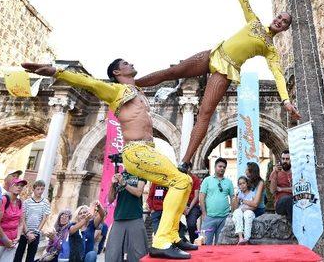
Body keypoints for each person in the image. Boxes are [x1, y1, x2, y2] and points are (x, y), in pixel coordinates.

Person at [22, 60, 194, 259]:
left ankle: (173, 236)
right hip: (136, 150)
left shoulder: (136, 90)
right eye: (125, 63)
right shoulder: (116, 91)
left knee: (186, 181)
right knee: (180, 181)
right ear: (116, 71)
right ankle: (162, 240)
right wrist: (56, 71)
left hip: (148, 150)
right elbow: (88, 83)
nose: (130, 63)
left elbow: (162, 74)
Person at [134, 0, 300, 168]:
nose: (280, 21)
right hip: (213, 55)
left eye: (284, 22)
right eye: (280, 17)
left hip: (226, 70)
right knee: (172, 71)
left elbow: (278, 74)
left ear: (286, 28)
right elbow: (246, 5)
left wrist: (286, 101)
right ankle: (133, 83)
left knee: (205, 113)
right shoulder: (255, 22)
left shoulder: (270, 49)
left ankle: (186, 161)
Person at [106, 171, 149, 262]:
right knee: (113, 254)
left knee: (138, 253)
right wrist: (113, 184)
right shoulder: (120, 175)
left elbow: (138, 192)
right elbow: (110, 200)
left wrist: (124, 183)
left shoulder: (140, 173)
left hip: (135, 217)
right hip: (119, 218)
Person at [0, 177, 26, 262]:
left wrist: (17, 237)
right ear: (10, 186)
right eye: (17, 185)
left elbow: (21, 223)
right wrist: (6, 240)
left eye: (21, 186)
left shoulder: (19, 202)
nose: (19, 187)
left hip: (12, 243)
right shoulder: (2, 200)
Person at [14, 179, 50, 262]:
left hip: (36, 234)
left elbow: (44, 218)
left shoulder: (45, 202)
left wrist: (36, 232)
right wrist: (27, 232)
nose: (40, 191)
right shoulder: (27, 202)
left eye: (42, 189)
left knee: (30, 256)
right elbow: (22, 218)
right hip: (24, 232)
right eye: (38, 189)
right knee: (18, 255)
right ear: (33, 190)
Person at [199, 158, 233, 245]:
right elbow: (202, 197)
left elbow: (233, 198)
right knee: (206, 243)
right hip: (209, 217)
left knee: (221, 245)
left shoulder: (229, 182)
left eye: (224, 167)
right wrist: (204, 213)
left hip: (224, 218)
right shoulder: (207, 180)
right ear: (215, 167)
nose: (222, 168)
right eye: (220, 166)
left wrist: (232, 214)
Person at [269, 149, 293, 222]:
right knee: (287, 199)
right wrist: (275, 173)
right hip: (280, 204)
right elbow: (272, 191)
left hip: (295, 201)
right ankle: (293, 225)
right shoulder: (275, 172)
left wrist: (282, 189)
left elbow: (296, 189)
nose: (285, 161)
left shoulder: (296, 173)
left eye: (287, 159)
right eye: (283, 159)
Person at [231, 176, 256, 245]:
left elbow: (255, 207)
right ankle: (240, 237)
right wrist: (235, 199)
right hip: (240, 211)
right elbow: (234, 209)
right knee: (237, 212)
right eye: (240, 184)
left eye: (243, 183)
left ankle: (247, 238)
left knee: (247, 214)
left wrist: (246, 209)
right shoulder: (239, 194)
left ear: (247, 183)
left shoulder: (252, 193)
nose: (242, 185)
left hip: (249, 211)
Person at [184, 172, 202, 244]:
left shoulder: (195, 179)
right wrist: (184, 206)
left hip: (193, 205)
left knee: (191, 224)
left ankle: (194, 242)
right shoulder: (179, 178)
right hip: (180, 203)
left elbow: (196, 196)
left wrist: (188, 208)